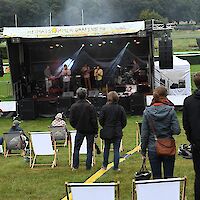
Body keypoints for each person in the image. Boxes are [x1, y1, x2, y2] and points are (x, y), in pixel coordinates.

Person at [141, 86, 180, 179]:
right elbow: (177, 130)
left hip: (152, 147)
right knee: (169, 176)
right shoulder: (171, 110)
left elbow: (144, 134)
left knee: (156, 178)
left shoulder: (147, 112)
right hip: (168, 145)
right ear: (166, 96)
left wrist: (143, 150)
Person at [69, 87, 98, 170]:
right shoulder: (90, 106)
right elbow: (94, 120)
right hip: (90, 130)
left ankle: (75, 166)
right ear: (86, 95)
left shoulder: (74, 106)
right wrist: (96, 131)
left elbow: (71, 120)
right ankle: (88, 166)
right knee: (89, 148)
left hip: (80, 130)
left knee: (77, 148)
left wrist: (76, 126)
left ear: (77, 95)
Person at [99, 91, 127, 171]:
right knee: (116, 150)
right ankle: (116, 167)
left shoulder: (104, 108)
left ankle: (104, 165)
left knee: (106, 148)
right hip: (117, 131)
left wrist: (105, 126)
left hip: (107, 130)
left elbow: (101, 119)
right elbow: (124, 121)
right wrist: (120, 127)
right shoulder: (120, 108)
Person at [183, 72, 200, 200]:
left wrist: (191, 139)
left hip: (196, 142)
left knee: (199, 175)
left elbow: (186, 124)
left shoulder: (188, 101)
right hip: (196, 142)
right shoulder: (188, 101)